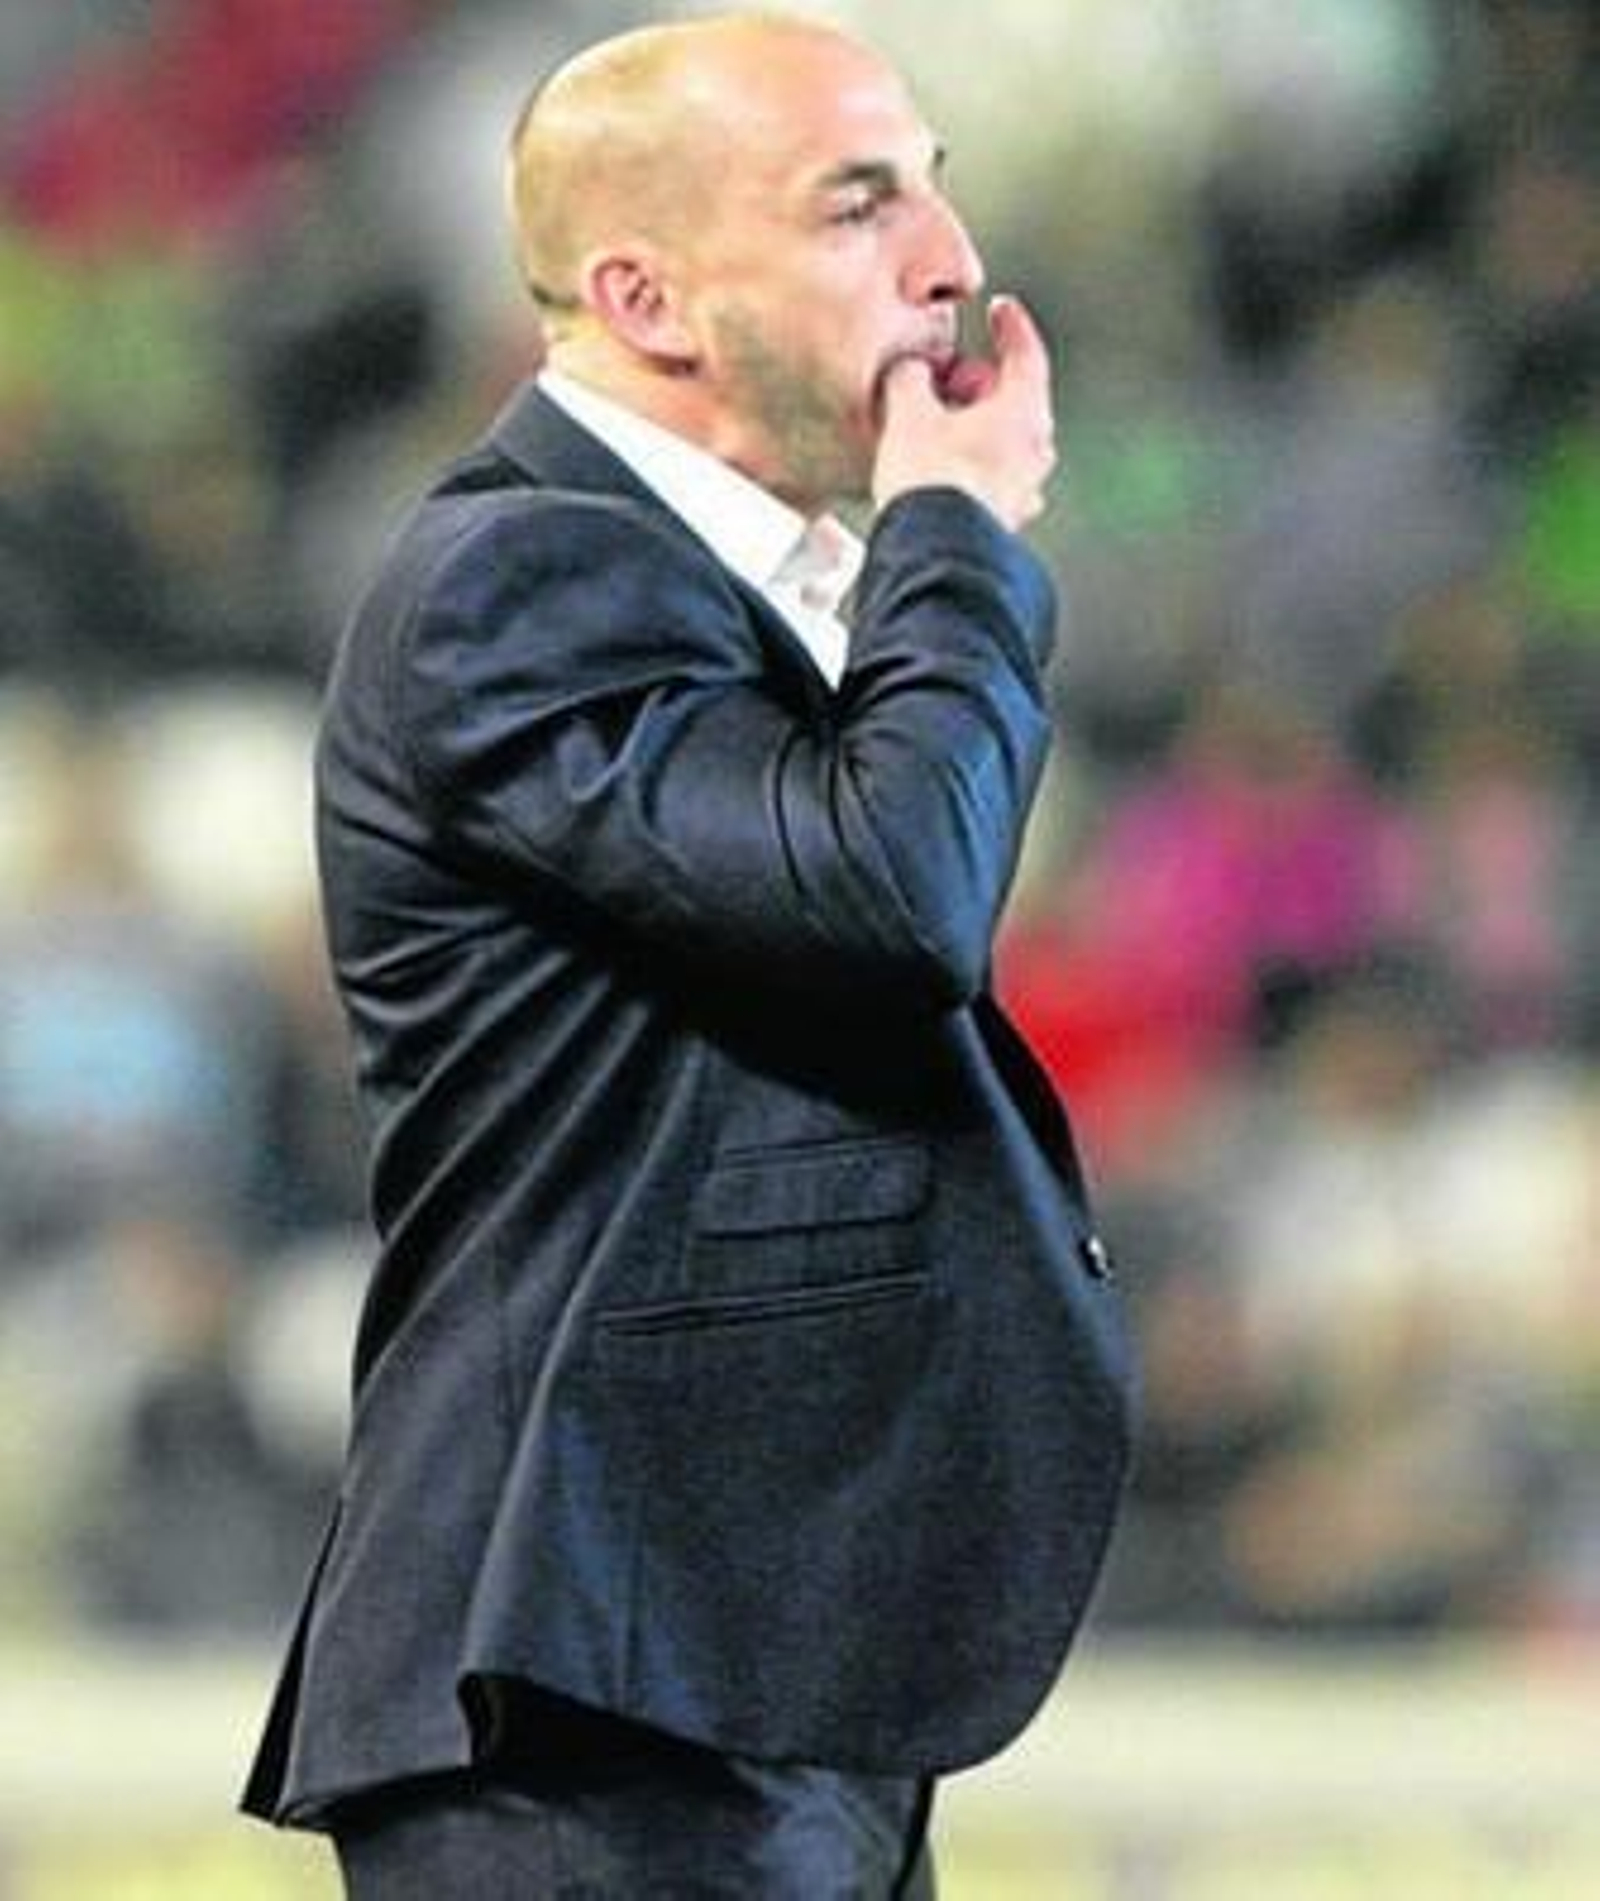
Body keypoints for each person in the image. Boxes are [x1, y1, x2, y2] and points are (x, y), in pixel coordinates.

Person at [242, 12, 1135, 1895]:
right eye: (856, 204)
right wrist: (955, 530)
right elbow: (891, 892)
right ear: (645, 297)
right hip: (586, 1687)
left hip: (730, 1670)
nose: (951, 262)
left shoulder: (735, 594)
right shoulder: (518, 573)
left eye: (935, 189)